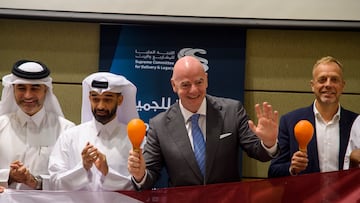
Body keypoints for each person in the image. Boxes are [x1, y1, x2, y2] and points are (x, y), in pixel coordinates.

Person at [128, 56, 279, 190]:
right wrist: (140, 175)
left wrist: (269, 142)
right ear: (174, 85)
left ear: (206, 80)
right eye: (185, 85)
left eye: (199, 82)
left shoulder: (232, 111)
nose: (194, 90)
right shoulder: (159, 125)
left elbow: (259, 152)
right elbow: (148, 178)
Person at [268, 56, 359, 178]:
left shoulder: (357, 123)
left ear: (342, 86)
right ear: (312, 85)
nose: (328, 84)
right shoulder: (290, 121)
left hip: (346, 197)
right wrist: (292, 168)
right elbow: (273, 172)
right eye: (322, 79)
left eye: (334, 80)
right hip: (304, 197)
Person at [48, 72, 139, 191]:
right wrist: (83, 167)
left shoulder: (134, 139)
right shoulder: (70, 137)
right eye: (95, 99)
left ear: (120, 100)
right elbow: (54, 184)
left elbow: (139, 187)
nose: (100, 106)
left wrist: (107, 173)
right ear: (89, 98)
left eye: (107, 99)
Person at [0, 60, 75, 190]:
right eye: (21, 88)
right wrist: (8, 176)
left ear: (45, 90)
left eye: (35, 88)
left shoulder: (66, 130)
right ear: (13, 89)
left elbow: (72, 179)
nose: (28, 95)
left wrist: (35, 181)